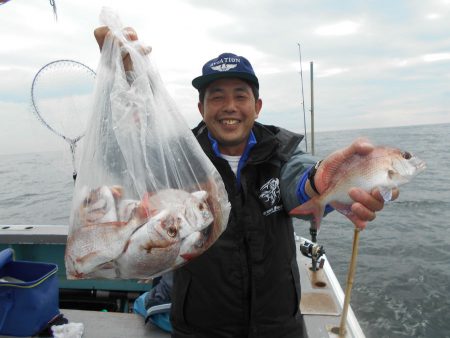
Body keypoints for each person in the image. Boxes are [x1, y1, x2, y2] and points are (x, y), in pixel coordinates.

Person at [94, 27, 399, 338]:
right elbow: (118, 157)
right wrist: (113, 75)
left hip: (280, 328)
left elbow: (299, 180)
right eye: (217, 97)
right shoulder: (180, 158)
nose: (230, 106)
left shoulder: (282, 152)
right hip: (198, 328)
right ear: (201, 108)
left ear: (258, 106)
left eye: (241, 95)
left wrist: (320, 182)